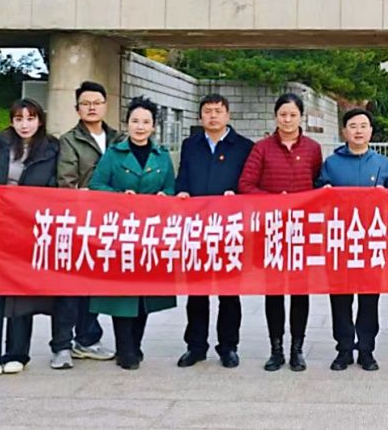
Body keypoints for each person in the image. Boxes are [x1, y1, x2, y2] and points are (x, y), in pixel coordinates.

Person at [0, 98, 58, 376]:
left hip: (29, 227)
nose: (24, 125)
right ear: (11, 121)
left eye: (30, 118)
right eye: (19, 119)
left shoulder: (51, 148)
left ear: (39, 121)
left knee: (21, 288)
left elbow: (56, 187)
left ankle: (17, 352)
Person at [88, 96, 178, 370]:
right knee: (122, 293)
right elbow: (96, 185)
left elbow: (171, 188)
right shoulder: (113, 154)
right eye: (135, 121)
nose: (140, 126)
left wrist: (165, 196)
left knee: (144, 293)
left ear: (154, 126)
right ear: (127, 124)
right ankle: (124, 349)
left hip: (151, 233)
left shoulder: (162, 156)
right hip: (121, 232)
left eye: (146, 122)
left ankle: (135, 344)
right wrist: (118, 195)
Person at [239, 92, 323, 372]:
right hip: (272, 230)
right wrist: (274, 201)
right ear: (275, 117)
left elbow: (317, 184)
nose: (287, 120)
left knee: (300, 291)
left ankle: (297, 349)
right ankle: (276, 349)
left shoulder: (312, 149)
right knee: (273, 292)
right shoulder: (262, 148)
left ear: (301, 118)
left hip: (301, 230)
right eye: (283, 115)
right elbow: (246, 184)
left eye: (293, 115)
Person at [174, 93, 254, 369]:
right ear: (200, 117)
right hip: (197, 227)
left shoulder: (244, 146)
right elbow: (183, 177)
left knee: (229, 292)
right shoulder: (191, 145)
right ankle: (195, 346)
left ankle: (228, 346)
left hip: (230, 228)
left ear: (228, 115)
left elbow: (249, 183)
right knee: (197, 291)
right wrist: (182, 192)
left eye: (218, 111)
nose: (213, 116)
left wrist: (239, 195)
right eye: (207, 111)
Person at [317, 107, 388, 372]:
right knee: (340, 298)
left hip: (371, 241)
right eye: (353, 126)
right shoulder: (332, 163)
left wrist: (385, 195)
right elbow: (318, 197)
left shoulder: (382, 163)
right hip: (340, 241)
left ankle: (366, 349)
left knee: (369, 298)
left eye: (363, 126)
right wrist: (324, 192)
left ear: (371, 131)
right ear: (344, 131)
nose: (358, 131)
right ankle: (343, 349)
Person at [49, 81, 120, 369]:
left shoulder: (118, 138)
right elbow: (66, 182)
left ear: (105, 106)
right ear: (77, 108)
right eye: (86, 103)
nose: (92, 107)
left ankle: (87, 339)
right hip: (79, 221)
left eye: (97, 102)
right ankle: (61, 345)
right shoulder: (69, 140)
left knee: (95, 284)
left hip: (109, 222)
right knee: (70, 285)